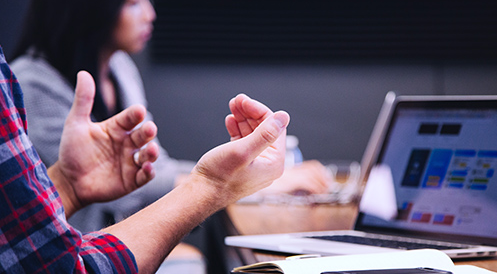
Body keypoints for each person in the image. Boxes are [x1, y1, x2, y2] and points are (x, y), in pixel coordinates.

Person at [0, 45, 290, 273]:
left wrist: (66, 185)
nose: (150, 14)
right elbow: (62, 268)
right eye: (134, 2)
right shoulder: (32, 81)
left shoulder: (120, 67)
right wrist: (213, 186)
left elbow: (12, 237)